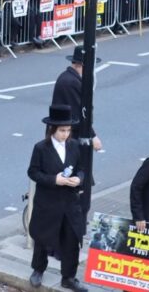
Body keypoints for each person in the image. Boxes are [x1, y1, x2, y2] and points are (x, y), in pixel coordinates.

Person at [27, 105, 88, 292]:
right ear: (52, 129)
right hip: (48, 201)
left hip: (70, 202)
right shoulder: (41, 148)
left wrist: (78, 178)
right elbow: (33, 172)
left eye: (68, 130)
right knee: (43, 237)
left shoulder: (74, 145)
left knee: (71, 239)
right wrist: (55, 180)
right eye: (62, 130)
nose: (65, 134)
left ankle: (68, 277)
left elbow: (81, 168)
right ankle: (38, 269)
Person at [52, 45, 103, 215]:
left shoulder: (71, 79)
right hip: (70, 137)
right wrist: (93, 136)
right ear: (82, 65)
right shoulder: (70, 82)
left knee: (80, 176)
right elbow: (78, 113)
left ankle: (76, 212)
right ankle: (74, 213)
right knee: (77, 176)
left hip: (70, 136)